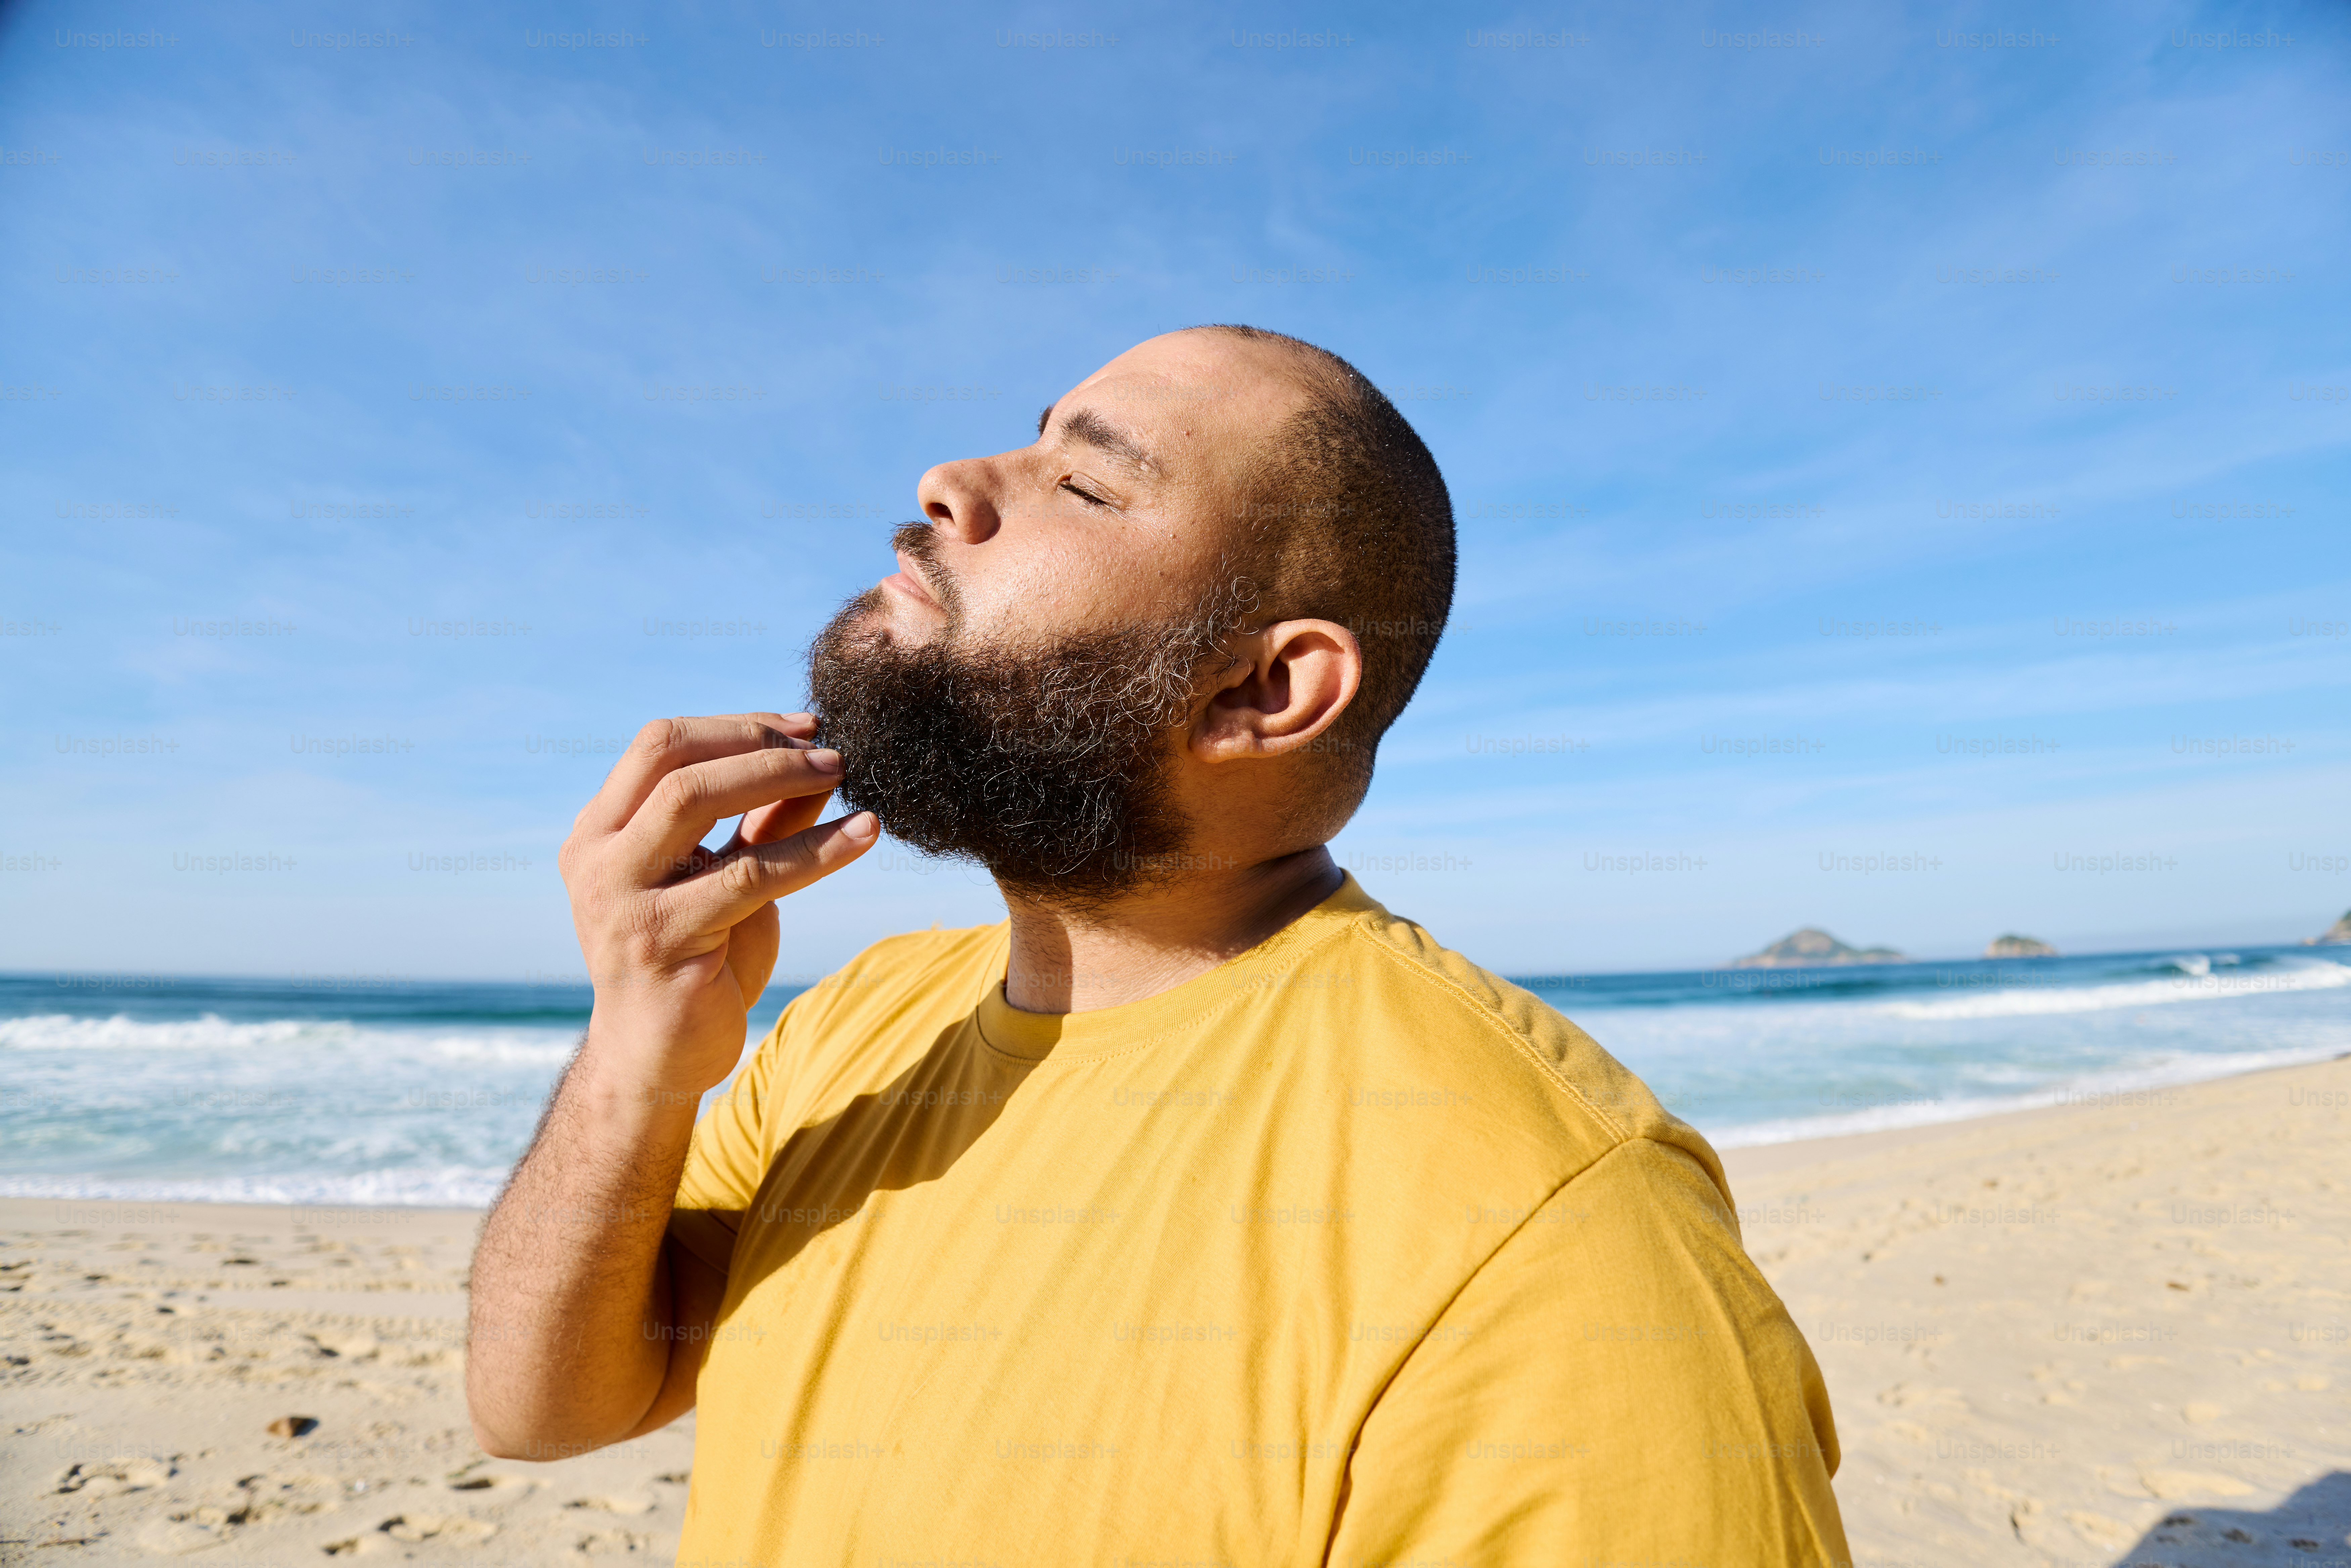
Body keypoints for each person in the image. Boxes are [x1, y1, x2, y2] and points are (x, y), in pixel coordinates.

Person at [465, 325, 1851, 1564]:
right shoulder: (857, 1020)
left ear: (1263, 689)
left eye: (1085, 482)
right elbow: (547, 1406)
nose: (951, 478)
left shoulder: (1557, 1243)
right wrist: (634, 1057)